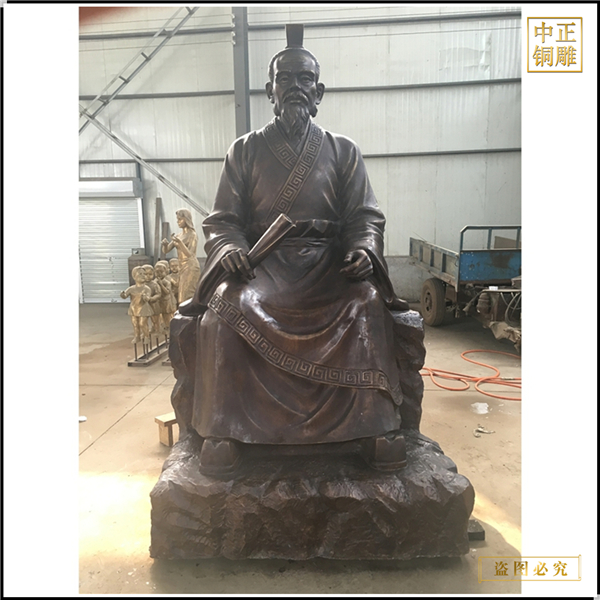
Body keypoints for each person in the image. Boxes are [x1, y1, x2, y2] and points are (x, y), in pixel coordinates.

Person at [182, 26, 409, 474]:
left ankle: (373, 427)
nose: (295, 88)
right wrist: (230, 249)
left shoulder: (343, 151)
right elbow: (223, 221)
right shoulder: (244, 151)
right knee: (225, 307)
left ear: (319, 92)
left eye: (305, 79)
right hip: (263, 267)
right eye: (284, 79)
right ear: (270, 91)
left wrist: (363, 249)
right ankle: (227, 430)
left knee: (365, 302)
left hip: (328, 269)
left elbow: (364, 217)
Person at [161, 209, 201, 304]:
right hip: (181, 266)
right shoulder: (179, 235)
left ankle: (191, 312)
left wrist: (180, 243)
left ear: (186, 219)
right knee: (181, 295)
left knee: (187, 295)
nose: (177, 221)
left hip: (190, 266)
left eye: (180, 219)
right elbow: (166, 251)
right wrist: (165, 245)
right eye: (177, 219)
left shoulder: (192, 235)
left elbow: (190, 254)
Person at [120, 266, 152, 344]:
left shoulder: (146, 288)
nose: (143, 276)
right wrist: (122, 294)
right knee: (135, 324)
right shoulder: (131, 288)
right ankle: (137, 336)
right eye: (140, 274)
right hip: (134, 308)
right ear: (134, 276)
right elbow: (125, 295)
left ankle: (146, 336)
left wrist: (145, 297)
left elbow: (148, 298)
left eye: (144, 274)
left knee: (142, 323)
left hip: (143, 308)